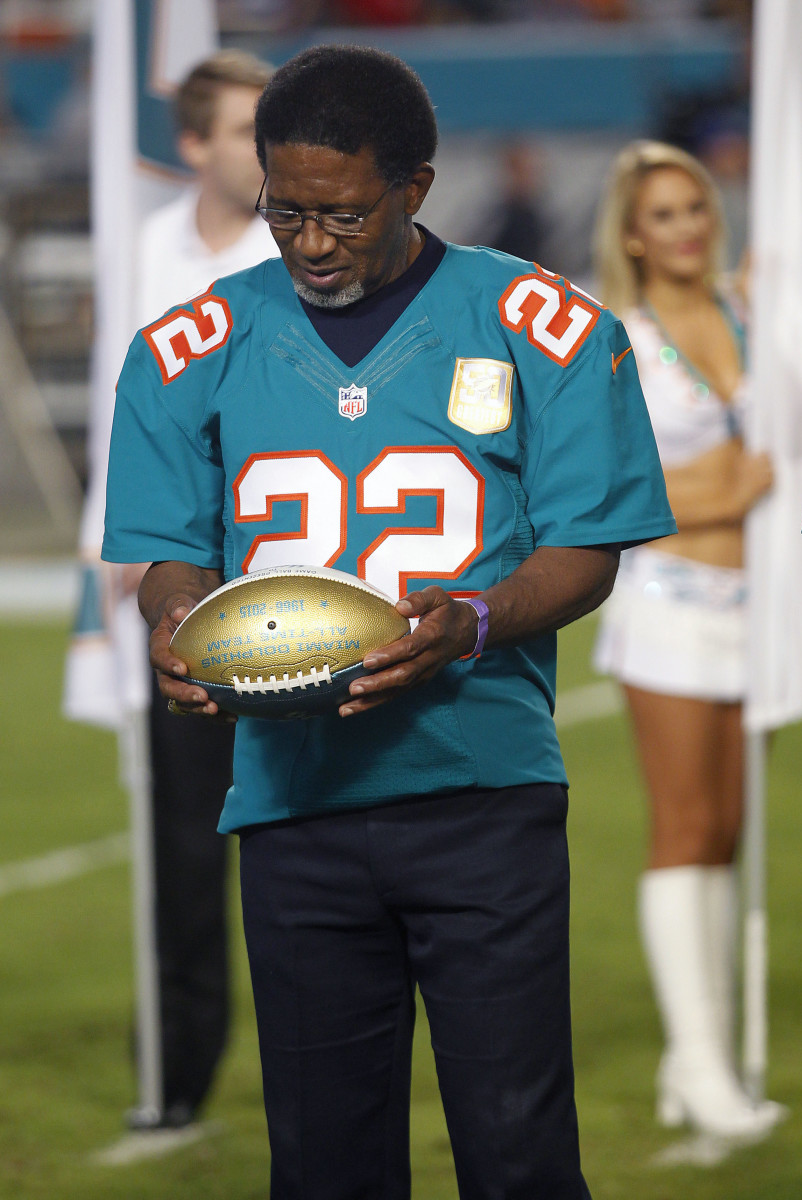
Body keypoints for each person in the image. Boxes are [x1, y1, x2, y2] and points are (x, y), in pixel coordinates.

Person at [102, 46, 674, 1197]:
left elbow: (586, 549)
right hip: (291, 798)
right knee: (322, 1160)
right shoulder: (190, 345)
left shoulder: (538, 322)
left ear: (414, 186)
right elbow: (168, 548)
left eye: (344, 215)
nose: (311, 244)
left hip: (480, 787)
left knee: (514, 1149)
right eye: (287, 212)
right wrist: (176, 623)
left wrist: (469, 618)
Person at [592, 140, 785, 1138]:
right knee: (680, 828)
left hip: (757, 614)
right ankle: (704, 1064)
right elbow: (617, 495)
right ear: (631, 232)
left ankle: (689, 1060)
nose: (684, 228)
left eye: (695, 209)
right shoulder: (617, 337)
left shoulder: (751, 311)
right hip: (666, 604)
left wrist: (724, 493)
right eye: (662, 215)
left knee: (725, 830)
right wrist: (718, 496)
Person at [127, 48, 279, 1130]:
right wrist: (116, 597)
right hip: (180, 575)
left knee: (295, 834)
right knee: (182, 850)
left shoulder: (306, 239)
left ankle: (317, 1056)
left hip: (286, 568)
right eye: (240, 129)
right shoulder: (148, 251)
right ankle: (176, 1075)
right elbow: (124, 404)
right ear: (192, 145)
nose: (262, 147)